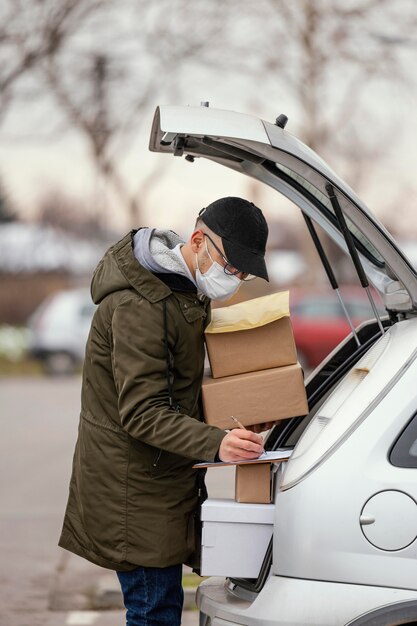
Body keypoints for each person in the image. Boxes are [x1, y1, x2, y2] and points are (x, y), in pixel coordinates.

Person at [59, 196, 270, 626]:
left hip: (156, 481)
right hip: (133, 490)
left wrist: (231, 420)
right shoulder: (141, 304)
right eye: (232, 268)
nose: (235, 280)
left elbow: (177, 391)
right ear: (198, 241)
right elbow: (143, 411)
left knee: (160, 608)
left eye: (244, 274)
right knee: (155, 612)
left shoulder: (181, 292)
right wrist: (218, 444)